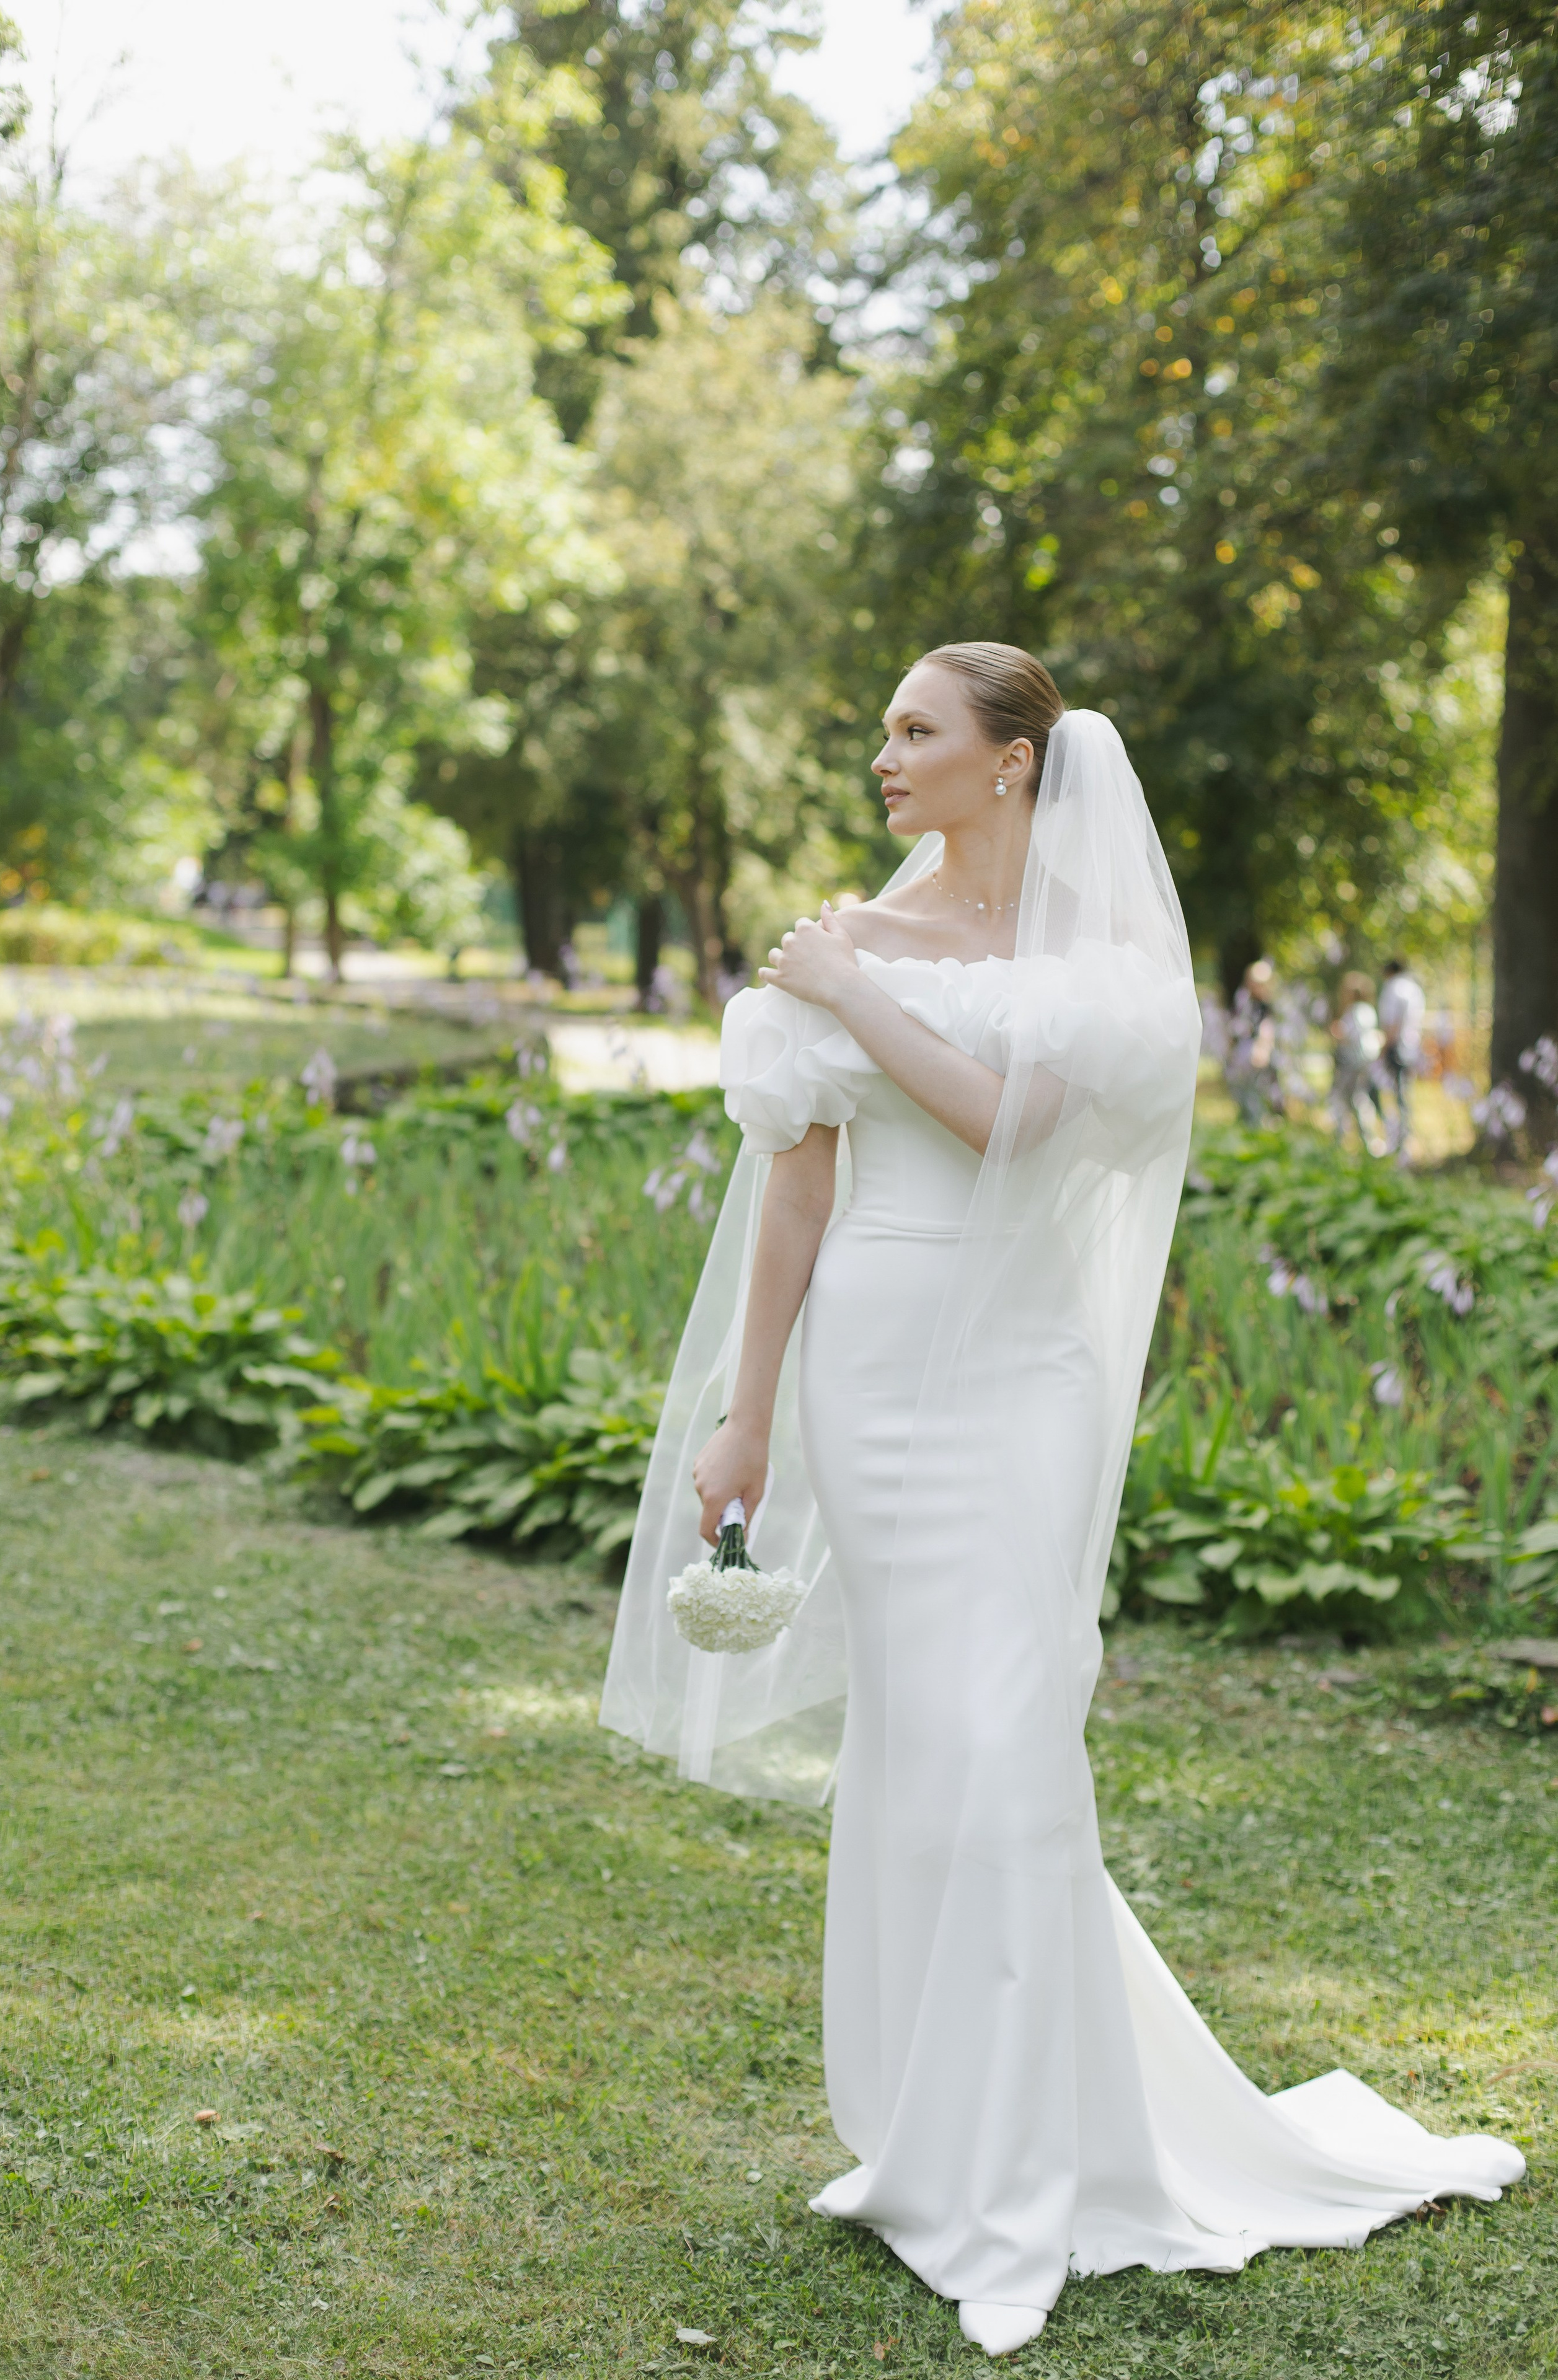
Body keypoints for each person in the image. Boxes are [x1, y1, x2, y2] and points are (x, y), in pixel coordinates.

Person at [600, 644, 1523, 2356]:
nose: (884, 756)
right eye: (882, 726)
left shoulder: (1100, 973)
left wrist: (865, 995)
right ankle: (935, 2150)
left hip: (1017, 1383)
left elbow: (1018, 1137)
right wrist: (748, 1425)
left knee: (1012, 1746)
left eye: (916, 731)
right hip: (869, 1371)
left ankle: (1025, 2207)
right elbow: (795, 1200)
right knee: (922, 1756)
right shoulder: (837, 942)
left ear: (1012, 763)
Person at [1328, 970, 1385, 1153]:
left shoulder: (1354, 1011)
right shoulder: (1368, 1010)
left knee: (1346, 1099)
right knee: (1359, 1098)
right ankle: (1367, 1140)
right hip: (1365, 1062)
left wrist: (1336, 1032)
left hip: (1352, 1063)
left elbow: (1349, 1036)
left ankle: (1347, 1138)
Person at [1377, 955, 1426, 1158]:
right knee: (1404, 1094)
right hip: (1412, 1048)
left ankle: (1397, 1141)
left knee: (1390, 1094)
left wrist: (1384, 1048)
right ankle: (1403, 1140)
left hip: (1396, 1048)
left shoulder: (1393, 988)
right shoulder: (1414, 989)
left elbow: (1392, 1023)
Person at [1224, 956, 1282, 1124]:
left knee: (1258, 1089)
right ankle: (1248, 1120)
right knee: (1242, 1087)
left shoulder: (1265, 1006)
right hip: (1243, 1050)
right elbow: (1236, 1024)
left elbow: (1267, 1028)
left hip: (1256, 1050)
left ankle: (1259, 1121)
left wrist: (1262, 1048)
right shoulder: (1244, 1001)